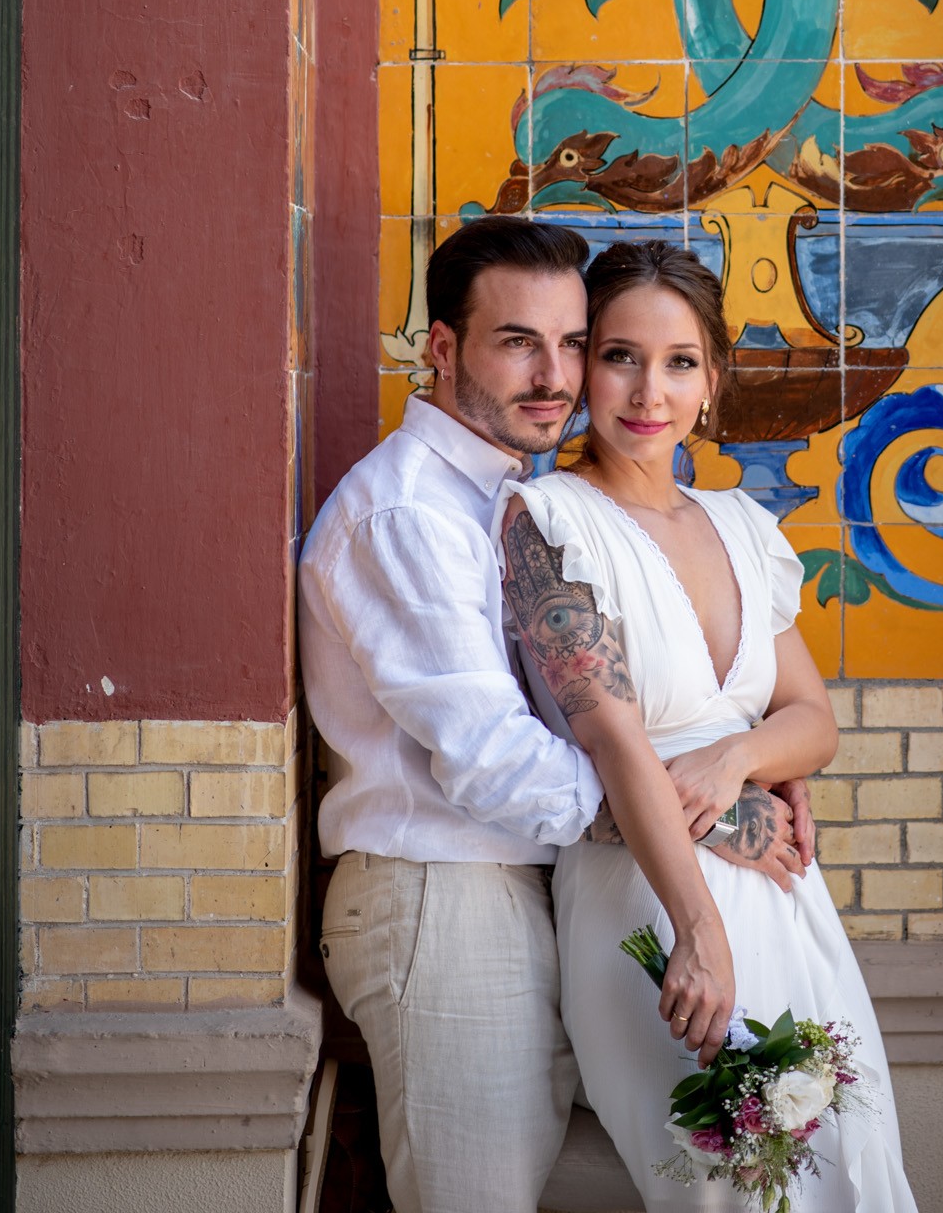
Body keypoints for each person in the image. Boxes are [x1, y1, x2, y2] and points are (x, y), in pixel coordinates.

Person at [298, 215, 812, 1213]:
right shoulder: (409, 511)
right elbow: (494, 761)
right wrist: (714, 812)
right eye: (517, 340)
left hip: (532, 889)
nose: (555, 373)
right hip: (440, 894)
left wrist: (746, 753)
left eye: (573, 341)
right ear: (443, 348)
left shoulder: (506, 494)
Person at [499, 239, 918, 1211]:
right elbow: (611, 742)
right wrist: (698, 929)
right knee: (730, 1189)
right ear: (581, 365)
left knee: (848, 1170)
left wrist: (737, 757)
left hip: (788, 906)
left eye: (680, 361)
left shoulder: (743, 524)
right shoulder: (547, 518)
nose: (650, 388)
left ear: (712, 381)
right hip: (651, 907)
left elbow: (812, 721)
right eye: (620, 354)